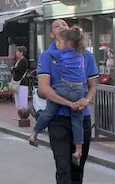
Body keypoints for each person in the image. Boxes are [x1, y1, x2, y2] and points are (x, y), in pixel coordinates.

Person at [36, 19, 98, 183]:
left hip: (81, 117)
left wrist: (86, 100)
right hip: (58, 119)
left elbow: (93, 86)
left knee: (78, 168)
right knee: (63, 169)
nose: (62, 26)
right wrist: (70, 103)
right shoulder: (47, 56)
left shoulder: (85, 55)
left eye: (64, 24)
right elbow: (44, 88)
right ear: (52, 35)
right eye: (57, 25)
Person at [29, 29, 87, 165]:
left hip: (63, 88)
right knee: (77, 121)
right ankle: (78, 150)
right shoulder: (81, 55)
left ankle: (35, 133)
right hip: (79, 90)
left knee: (49, 111)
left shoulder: (59, 53)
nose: (56, 44)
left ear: (68, 44)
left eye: (59, 42)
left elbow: (49, 53)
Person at [11, 46, 31, 110]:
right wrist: (13, 69)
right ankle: (19, 114)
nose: (16, 53)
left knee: (22, 100)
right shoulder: (18, 60)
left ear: (21, 53)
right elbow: (13, 69)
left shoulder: (24, 61)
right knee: (17, 100)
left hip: (22, 82)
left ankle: (23, 115)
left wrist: (13, 68)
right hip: (16, 83)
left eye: (17, 52)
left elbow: (17, 69)